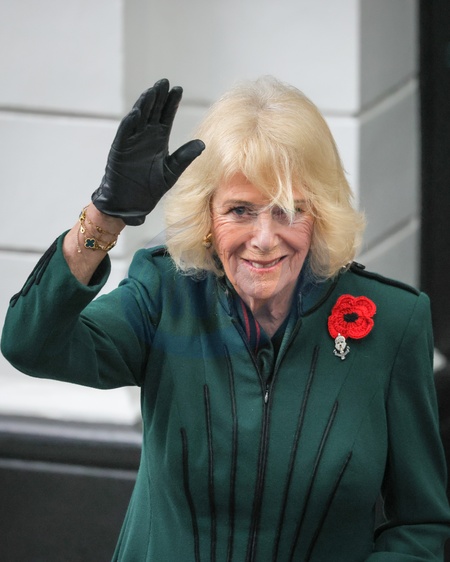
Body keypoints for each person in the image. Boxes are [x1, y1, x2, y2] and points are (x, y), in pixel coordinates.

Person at [1, 77, 450, 561]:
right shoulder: (165, 294)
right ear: (207, 218)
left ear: (320, 214)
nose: (264, 239)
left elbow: (419, 523)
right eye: (240, 210)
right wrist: (105, 217)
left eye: (287, 211)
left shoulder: (394, 322)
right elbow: (30, 344)